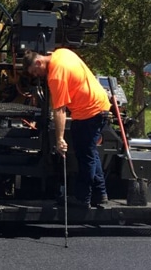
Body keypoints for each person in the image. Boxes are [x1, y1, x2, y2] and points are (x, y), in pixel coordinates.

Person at [23, 48, 110, 209]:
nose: (37, 75)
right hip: (98, 106)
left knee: (85, 156)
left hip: (88, 112)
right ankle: (101, 194)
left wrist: (59, 139)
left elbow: (60, 110)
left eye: (35, 71)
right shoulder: (62, 52)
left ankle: (83, 198)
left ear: (38, 62)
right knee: (90, 152)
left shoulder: (56, 75)